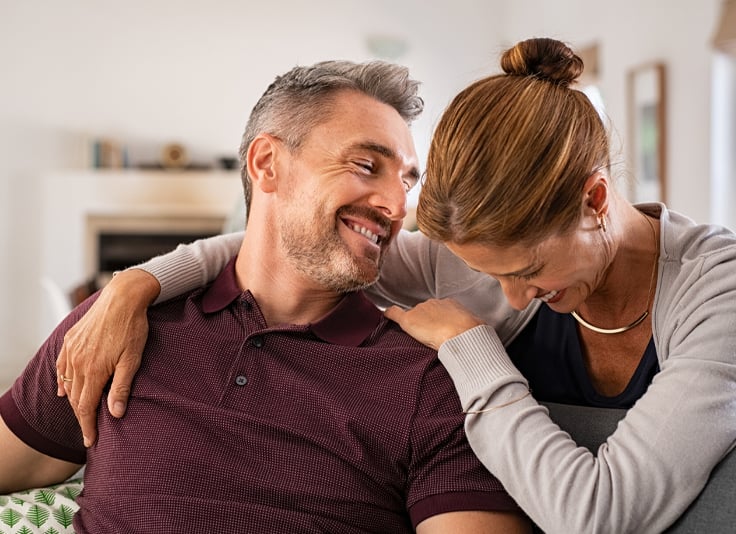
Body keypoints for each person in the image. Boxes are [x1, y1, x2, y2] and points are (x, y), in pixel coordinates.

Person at [55, 38, 736, 533]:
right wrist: (137, 284)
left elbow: (595, 514)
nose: (507, 295)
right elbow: (285, 245)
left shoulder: (734, 292)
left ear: (596, 201)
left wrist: (472, 347)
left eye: (529, 271)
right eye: (490, 272)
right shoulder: (458, 262)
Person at [0, 59, 532, 534]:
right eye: (367, 166)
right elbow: (17, 460)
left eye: (406, 182)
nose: (396, 205)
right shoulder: (122, 323)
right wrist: (130, 288)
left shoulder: (425, 381)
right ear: (266, 164)